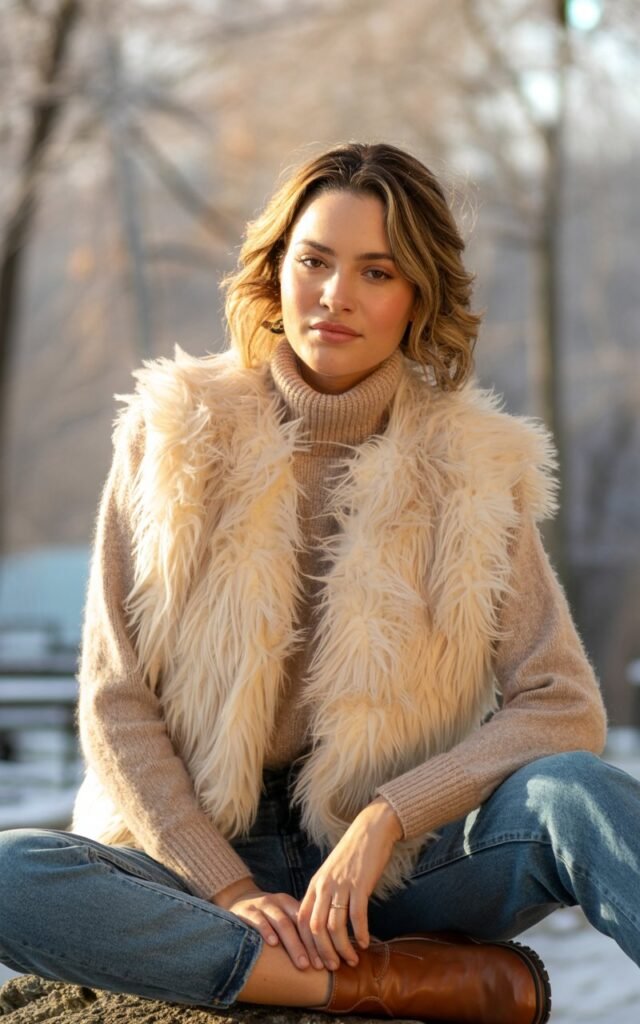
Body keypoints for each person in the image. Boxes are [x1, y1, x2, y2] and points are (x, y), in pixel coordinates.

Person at [3, 139, 635, 1024]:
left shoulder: (476, 468)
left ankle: (339, 955)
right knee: (9, 876)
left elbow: (563, 703)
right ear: (276, 270)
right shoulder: (170, 434)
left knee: (581, 791)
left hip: (397, 872)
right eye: (315, 260)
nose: (336, 295)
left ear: (418, 297)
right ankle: (378, 981)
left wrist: (385, 819)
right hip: (188, 865)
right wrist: (225, 888)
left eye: (376, 271)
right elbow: (115, 700)